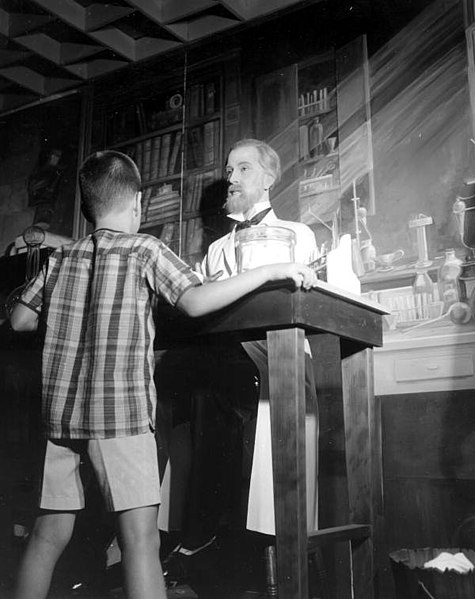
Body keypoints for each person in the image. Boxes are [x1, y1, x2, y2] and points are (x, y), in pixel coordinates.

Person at [8, 149, 318, 599]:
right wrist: (273, 269)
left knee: (48, 534)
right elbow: (195, 302)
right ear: (136, 205)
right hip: (120, 416)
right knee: (140, 541)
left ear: (87, 206)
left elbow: (20, 319)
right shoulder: (145, 249)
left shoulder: (60, 258)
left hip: (60, 419)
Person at [160, 138, 319, 582]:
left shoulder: (297, 235)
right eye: (230, 170)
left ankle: (204, 539)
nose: (231, 177)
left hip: (278, 363)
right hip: (228, 367)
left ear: (269, 179)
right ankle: (195, 535)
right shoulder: (215, 250)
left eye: (243, 169)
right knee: (181, 375)